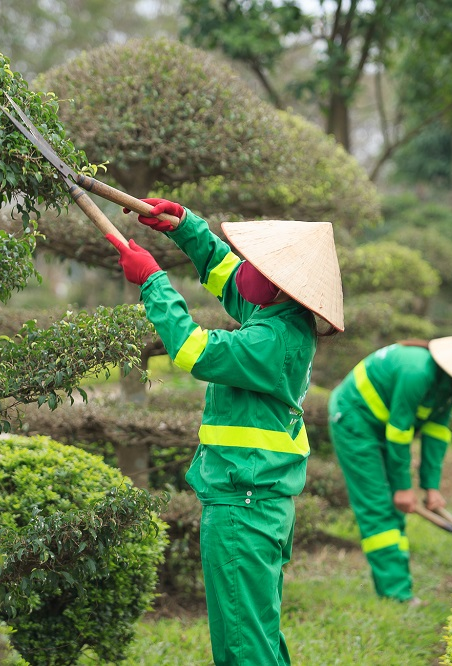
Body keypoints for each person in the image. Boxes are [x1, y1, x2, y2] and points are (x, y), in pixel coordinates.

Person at [106, 197, 343, 666]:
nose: (247, 267)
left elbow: (195, 351)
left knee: (242, 646)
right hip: (259, 503)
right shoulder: (280, 313)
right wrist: (186, 227)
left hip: (244, 507)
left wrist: (154, 282)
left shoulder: (270, 339)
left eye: (259, 263)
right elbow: (231, 277)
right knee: (257, 634)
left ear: (281, 282)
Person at [327, 335, 452, 603]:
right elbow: (401, 431)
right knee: (378, 505)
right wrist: (403, 487)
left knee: (394, 507)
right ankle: (397, 594)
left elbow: (437, 434)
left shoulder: (448, 387)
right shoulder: (417, 371)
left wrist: (430, 487)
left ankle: (395, 583)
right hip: (354, 420)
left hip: (384, 426)